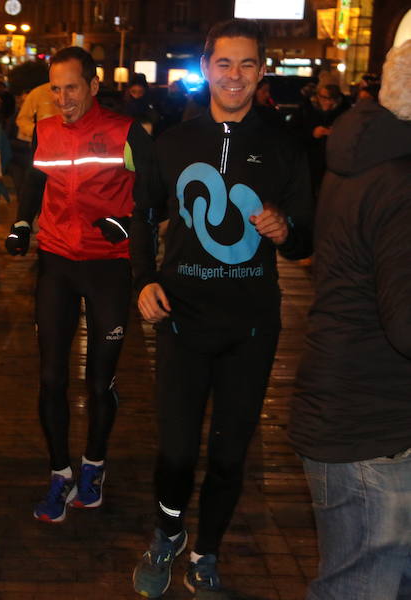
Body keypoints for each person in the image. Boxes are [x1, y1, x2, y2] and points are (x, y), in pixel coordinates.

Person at [129, 19, 314, 599]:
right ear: (206, 68)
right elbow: (141, 217)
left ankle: (206, 552)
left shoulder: (285, 145)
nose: (235, 76)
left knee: (231, 455)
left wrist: (285, 230)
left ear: (262, 72)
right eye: (224, 64)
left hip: (252, 328)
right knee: (177, 451)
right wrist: (143, 280)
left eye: (247, 65)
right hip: (182, 320)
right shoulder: (172, 142)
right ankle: (167, 531)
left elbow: (305, 238)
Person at [3, 46, 154, 523]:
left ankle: (93, 464)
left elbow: (158, 196)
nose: (64, 98)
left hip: (108, 267)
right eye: (56, 89)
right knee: (50, 377)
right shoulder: (44, 129)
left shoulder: (126, 132)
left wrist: (127, 226)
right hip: (56, 263)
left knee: (99, 379)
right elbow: (35, 181)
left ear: (93, 86)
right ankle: (59, 473)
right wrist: (22, 223)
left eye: (72, 88)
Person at [289, 40, 411, 600]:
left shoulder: (369, 153)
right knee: (363, 585)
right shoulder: (398, 179)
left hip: (356, 411)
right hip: (372, 428)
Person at [303, 84, 349, 195]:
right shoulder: (306, 109)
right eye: (324, 98)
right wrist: (312, 134)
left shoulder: (344, 110)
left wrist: (337, 133)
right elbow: (294, 133)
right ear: (317, 95)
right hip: (310, 163)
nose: (328, 102)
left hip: (334, 164)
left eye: (331, 99)